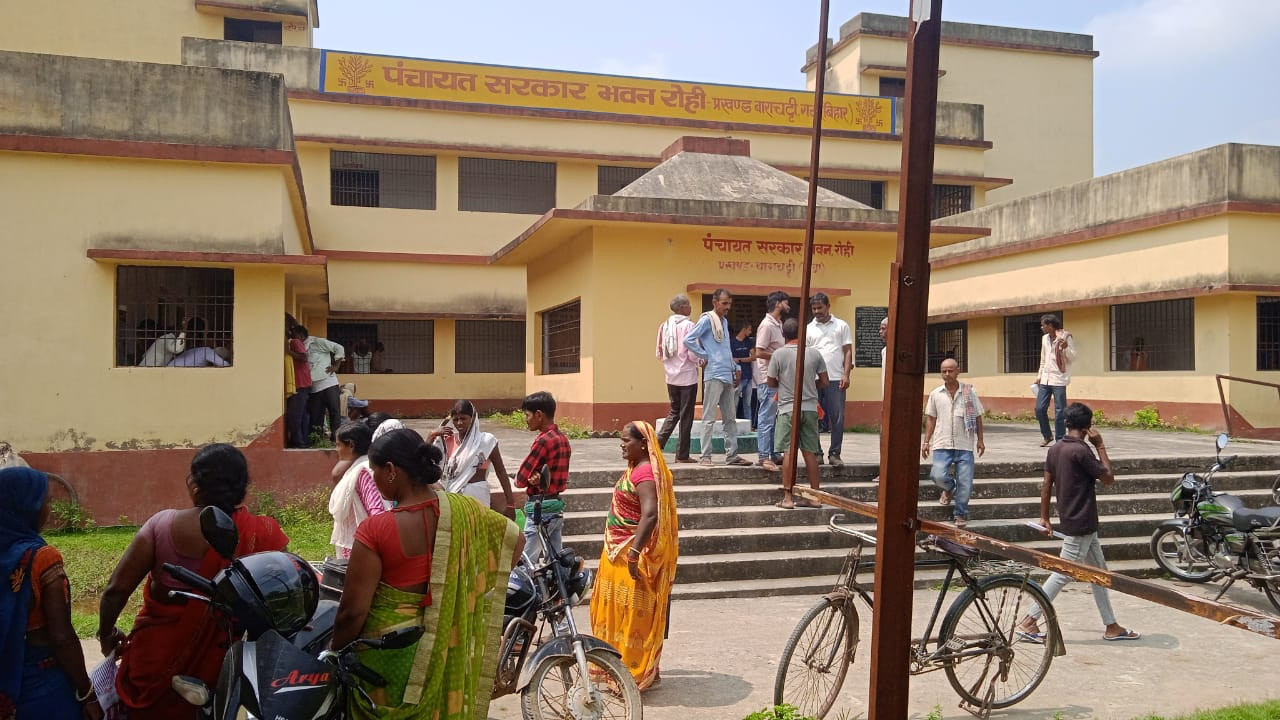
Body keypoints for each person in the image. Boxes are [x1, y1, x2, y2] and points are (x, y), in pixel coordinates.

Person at [329, 428, 519, 719]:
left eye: (375, 471)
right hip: (447, 648)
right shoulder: (466, 510)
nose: (374, 478)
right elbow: (517, 540)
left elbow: (352, 614)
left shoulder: (376, 530)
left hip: (388, 656)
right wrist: (468, 589)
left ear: (391, 470)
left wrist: (333, 654)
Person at [98, 444, 289, 719]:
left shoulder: (161, 525)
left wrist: (106, 634)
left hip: (154, 664)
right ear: (243, 487)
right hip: (220, 668)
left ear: (195, 485)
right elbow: (285, 596)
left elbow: (116, 590)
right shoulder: (264, 533)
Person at [1017, 403, 1140, 643]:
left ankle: (1111, 625)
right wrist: (1100, 445)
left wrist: (1044, 517)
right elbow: (1108, 478)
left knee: (1099, 573)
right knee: (1063, 573)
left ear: (1066, 423)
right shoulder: (1082, 451)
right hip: (1081, 522)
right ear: (1088, 427)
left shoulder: (1055, 449)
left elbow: (1046, 484)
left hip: (1077, 521)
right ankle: (1028, 621)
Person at [0, 467, 102, 720]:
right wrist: (87, 692)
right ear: (27, 507)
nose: (49, 509)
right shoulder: (41, 559)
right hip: (40, 683)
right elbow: (61, 637)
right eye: (45, 502)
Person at [589, 421, 679, 691]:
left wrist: (634, 554)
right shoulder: (635, 468)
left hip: (630, 553)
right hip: (617, 550)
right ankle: (617, 669)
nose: (622, 445)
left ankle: (632, 675)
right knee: (615, 613)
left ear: (643, 444)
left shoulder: (644, 473)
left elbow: (650, 514)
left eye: (627, 440)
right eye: (621, 440)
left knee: (632, 618)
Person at [684, 288, 750, 467]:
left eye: (729, 304)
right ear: (715, 303)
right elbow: (688, 340)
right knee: (709, 417)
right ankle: (705, 456)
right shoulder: (707, 319)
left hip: (727, 373)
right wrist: (705, 355)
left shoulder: (724, 322)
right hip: (714, 373)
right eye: (724, 303)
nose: (727, 307)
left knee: (730, 417)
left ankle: (732, 455)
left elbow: (726, 348)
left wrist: (735, 367)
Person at [769, 319, 829, 509]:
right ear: (802, 334)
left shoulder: (779, 354)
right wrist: (809, 386)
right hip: (810, 408)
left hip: (788, 408)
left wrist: (784, 384)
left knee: (788, 452)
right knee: (810, 453)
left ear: (783, 335)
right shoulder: (814, 353)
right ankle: (815, 497)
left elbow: (770, 381)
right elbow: (825, 381)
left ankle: (788, 498)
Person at [921, 358, 986, 528]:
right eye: (944, 371)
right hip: (942, 443)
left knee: (965, 482)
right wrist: (926, 442)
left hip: (964, 444)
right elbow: (931, 419)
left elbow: (978, 417)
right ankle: (949, 487)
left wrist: (980, 440)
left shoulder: (969, 393)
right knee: (937, 475)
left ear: (958, 371)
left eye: (950, 370)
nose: (947, 374)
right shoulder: (936, 394)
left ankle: (960, 514)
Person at [427, 400, 517, 517]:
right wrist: (431, 436)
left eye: (463, 418)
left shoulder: (486, 441)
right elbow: (423, 463)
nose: (459, 423)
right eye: (455, 419)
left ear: (473, 418)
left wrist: (510, 504)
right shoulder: (446, 441)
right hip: (452, 498)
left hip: (478, 498)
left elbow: (501, 472)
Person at [514, 391, 572, 564]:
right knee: (556, 560)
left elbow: (519, 480)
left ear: (539, 415)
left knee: (526, 562)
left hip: (540, 508)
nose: (526, 419)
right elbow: (556, 475)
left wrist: (532, 478)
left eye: (527, 415)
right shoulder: (563, 439)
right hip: (555, 505)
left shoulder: (543, 441)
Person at [329, 421, 388, 559]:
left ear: (351, 445)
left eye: (338, 445)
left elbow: (377, 511)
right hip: (357, 545)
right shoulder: (356, 468)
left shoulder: (364, 470)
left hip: (364, 549)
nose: (336, 450)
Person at [808, 293, 853, 467]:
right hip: (814, 380)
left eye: (820, 307)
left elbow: (847, 351)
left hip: (836, 378)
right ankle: (817, 453)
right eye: (814, 308)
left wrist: (846, 374)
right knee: (813, 417)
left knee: (837, 417)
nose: (817, 311)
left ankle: (835, 454)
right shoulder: (809, 328)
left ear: (828, 306)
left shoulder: (841, 325)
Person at [653, 294, 698, 463]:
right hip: (687, 376)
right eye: (688, 304)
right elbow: (693, 353)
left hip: (671, 377)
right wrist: (701, 361)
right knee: (686, 416)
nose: (690, 307)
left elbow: (659, 353)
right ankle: (682, 454)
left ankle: (656, 445)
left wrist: (671, 365)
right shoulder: (689, 326)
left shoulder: (664, 326)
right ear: (682, 307)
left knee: (674, 411)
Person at [753, 291, 790, 472]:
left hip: (778, 379)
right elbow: (759, 352)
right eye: (786, 302)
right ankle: (763, 456)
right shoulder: (767, 325)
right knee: (766, 418)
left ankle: (774, 453)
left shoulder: (779, 324)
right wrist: (779, 356)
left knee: (775, 418)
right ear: (777, 304)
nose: (788, 306)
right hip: (767, 378)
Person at [298, 326, 346, 442]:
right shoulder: (299, 347)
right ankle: (317, 441)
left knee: (334, 412)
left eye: (294, 335)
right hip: (313, 387)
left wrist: (336, 366)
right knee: (316, 416)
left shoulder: (317, 342)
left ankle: (335, 439)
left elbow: (339, 348)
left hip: (329, 383)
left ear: (300, 335)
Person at [1035, 314, 1076, 446]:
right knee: (1039, 409)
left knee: (1060, 411)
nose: (1042, 327)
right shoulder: (1044, 338)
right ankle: (1047, 435)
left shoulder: (1065, 337)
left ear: (1051, 326)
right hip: (1045, 379)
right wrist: (1039, 375)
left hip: (1059, 379)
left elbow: (1073, 357)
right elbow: (1043, 358)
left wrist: (1066, 348)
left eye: (1043, 325)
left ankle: (1060, 440)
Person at [286, 325, 313, 448]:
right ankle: (303, 441)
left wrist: (288, 352)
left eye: (294, 332)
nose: (291, 334)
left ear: (301, 335)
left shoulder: (295, 342)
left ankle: (298, 442)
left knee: (295, 415)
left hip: (300, 384)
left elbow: (303, 357)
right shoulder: (299, 343)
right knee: (302, 415)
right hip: (304, 384)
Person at [166, 319, 230, 367]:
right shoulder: (207, 351)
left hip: (171, 366)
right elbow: (224, 364)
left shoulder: (196, 350)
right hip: (175, 369)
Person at [730, 321, 755, 421]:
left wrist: (740, 360)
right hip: (738, 376)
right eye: (749, 330)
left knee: (747, 403)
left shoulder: (748, 341)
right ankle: (732, 422)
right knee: (734, 402)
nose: (750, 332)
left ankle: (748, 424)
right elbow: (730, 359)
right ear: (744, 329)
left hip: (748, 376)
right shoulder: (732, 343)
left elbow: (754, 357)